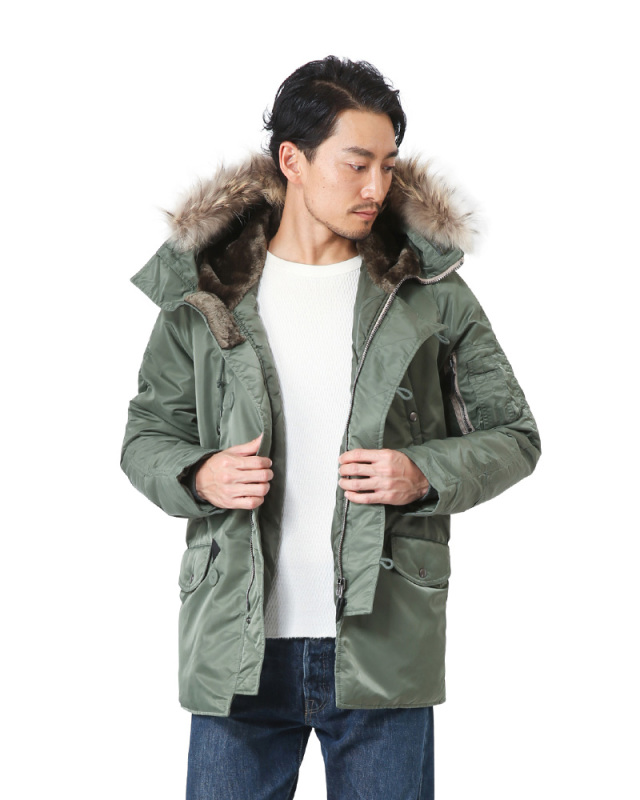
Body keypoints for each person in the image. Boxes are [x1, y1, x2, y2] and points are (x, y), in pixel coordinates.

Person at [121, 56, 541, 800]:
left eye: (387, 165)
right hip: (238, 647)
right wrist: (199, 474)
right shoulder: (208, 290)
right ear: (293, 160)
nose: (376, 187)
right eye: (356, 164)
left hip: (383, 643)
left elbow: (514, 434)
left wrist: (423, 473)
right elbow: (147, 435)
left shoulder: (428, 291)